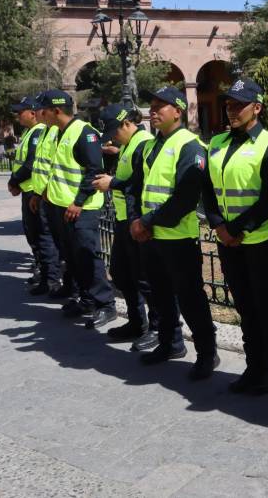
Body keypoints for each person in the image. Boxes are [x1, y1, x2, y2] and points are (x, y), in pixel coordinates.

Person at [200, 78, 268, 394]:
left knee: (265, 305)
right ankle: (254, 366)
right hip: (229, 241)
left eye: (238, 105)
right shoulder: (218, 142)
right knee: (246, 306)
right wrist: (218, 224)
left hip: (262, 239)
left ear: (257, 108)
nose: (231, 110)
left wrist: (236, 228)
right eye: (228, 104)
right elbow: (208, 189)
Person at [131, 86, 219, 381]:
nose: (153, 111)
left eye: (161, 106)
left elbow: (184, 198)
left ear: (178, 112)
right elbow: (142, 189)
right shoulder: (151, 145)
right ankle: (170, 344)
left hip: (177, 237)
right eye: (152, 105)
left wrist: (147, 222)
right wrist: (140, 222)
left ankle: (207, 353)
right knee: (160, 296)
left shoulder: (190, 146)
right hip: (152, 236)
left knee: (191, 298)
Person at [36, 90, 116, 329]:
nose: (41, 114)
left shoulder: (84, 133)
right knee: (72, 257)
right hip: (60, 206)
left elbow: (94, 170)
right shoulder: (58, 132)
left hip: (82, 209)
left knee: (87, 256)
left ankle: (105, 304)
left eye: (44, 110)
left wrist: (79, 201)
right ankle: (86, 299)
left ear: (56, 111)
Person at [92, 104, 159, 352]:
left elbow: (142, 182)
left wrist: (113, 183)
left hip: (137, 221)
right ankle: (136, 321)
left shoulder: (143, 143)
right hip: (124, 220)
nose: (112, 138)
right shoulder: (128, 145)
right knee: (121, 273)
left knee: (144, 278)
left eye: (113, 132)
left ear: (126, 124)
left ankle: (157, 327)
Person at [7, 96, 60, 295]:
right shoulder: (33, 132)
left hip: (38, 192)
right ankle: (46, 275)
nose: (18, 116)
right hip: (32, 191)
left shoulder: (39, 132)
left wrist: (14, 181)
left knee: (44, 237)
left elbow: (30, 164)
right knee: (36, 235)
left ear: (32, 113)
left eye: (21, 112)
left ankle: (50, 278)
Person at [29, 97, 70, 300]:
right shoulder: (46, 131)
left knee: (55, 243)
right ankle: (50, 279)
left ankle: (55, 281)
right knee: (47, 240)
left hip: (57, 198)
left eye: (41, 110)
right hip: (45, 195)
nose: (37, 114)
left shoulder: (55, 132)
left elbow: (56, 165)